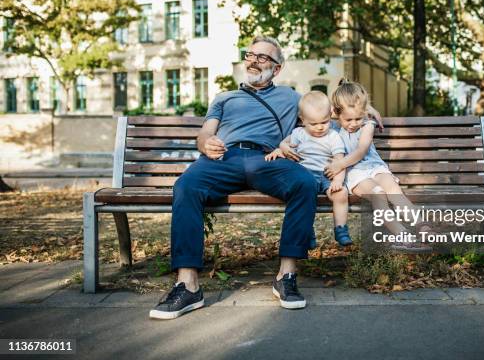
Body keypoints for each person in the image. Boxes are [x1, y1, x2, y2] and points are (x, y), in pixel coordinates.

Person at [150, 37, 383, 319]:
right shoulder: (224, 98)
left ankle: (286, 276)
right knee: (186, 186)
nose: (253, 60)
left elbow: (325, 112)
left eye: (262, 57)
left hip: (269, 159)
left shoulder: (290, 97)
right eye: (250, 55)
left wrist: (365, 110)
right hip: (225, 158)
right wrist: (205, 143)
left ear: (277, 68)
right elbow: (204, 133)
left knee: (305, 183)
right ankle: (187, 285)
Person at [324, 79, 431, 251]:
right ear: (337, 114)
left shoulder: (367, 125)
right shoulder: (334, 128)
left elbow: (361, 150)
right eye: (348, 119)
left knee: (393, 189)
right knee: (378, 194)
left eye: (358, 118)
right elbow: (323, 111)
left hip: (375, 167)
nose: (353, 124)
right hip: (355, 174)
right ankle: (402, 235)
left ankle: (422, 225)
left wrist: (338, 164)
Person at [265, 91, 353, 248]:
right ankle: (307, 231)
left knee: (341, 194)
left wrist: (338, 181)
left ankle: (341, 229)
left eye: (324, 122)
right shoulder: (298, 134)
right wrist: (279, 151)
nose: (320, 127)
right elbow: (286, 147)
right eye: (313, 124)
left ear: (330, 115)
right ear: (302, 119)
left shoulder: (333, 136)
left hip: (327, 173)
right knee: (302, 196)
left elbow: (339, 160)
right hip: (305, 175)